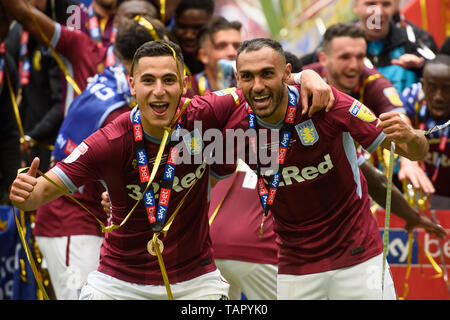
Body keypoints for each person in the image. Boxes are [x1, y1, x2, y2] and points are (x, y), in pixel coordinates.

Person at [9, 39, 333, 300]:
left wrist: (307, 76)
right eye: (148, 81)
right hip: (119, 284)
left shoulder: (205, 113)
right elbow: (40, 193)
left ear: (184, 84)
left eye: (168, 80)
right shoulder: (109, 140)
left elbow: (261, 84)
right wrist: (25, 192)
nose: (159, 91)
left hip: (197, 283)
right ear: (132, 85)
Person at [222, 37, 429, 299]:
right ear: (237, 80)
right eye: (247, 77)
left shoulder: (329, 104)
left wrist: (413, 138)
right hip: (295, 267)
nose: (258, 86)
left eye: (267, 74)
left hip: (359, 258)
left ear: (286, 74)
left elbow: (412, 151)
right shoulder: (234, 125)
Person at [0, 0, 158, 116]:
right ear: (115, 20)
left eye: (148, 18)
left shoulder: (169, 72)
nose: (142, 23)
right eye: (133, 17)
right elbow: (24, 14)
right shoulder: (82, 48)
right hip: (78, 153)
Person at [400, 54, 450, 209]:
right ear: (422, 85)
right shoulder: (412, 96)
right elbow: (399, 117)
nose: (438, 97)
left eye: (447, 89)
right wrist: (408, 157)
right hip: (417, 193)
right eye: (432, 88)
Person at [352, 0, 433, 94]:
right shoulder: (342, 40)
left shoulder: (415, 38)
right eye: (371, 4)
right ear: (355, 6)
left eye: (386, 4)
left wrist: (420, 67)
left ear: (395, 5)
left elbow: (442, 76)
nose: (379, 12)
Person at [186, 16, 242, 98]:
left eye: (237, 46)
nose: (232, 53)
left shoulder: (253, 86)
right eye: (221, 46)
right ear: (204, 56)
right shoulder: (188, 90)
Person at [168, 0, 214, 75]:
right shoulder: (164, 46)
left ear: (211, 22)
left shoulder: (222, 52)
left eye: (197, 28)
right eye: (183, 27)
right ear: (175, 21)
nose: (188, 35)